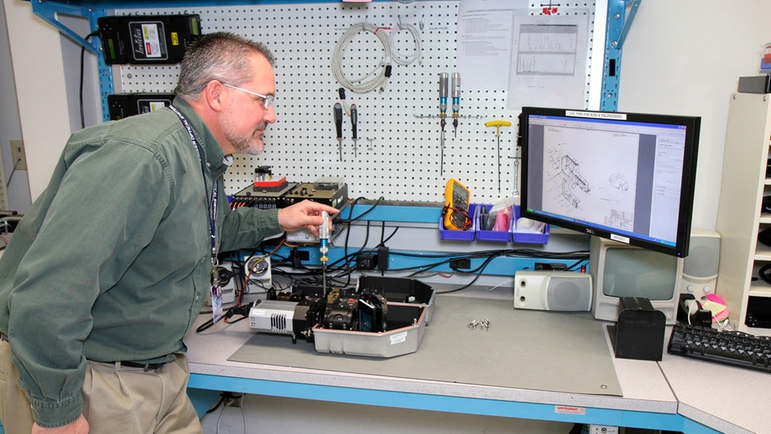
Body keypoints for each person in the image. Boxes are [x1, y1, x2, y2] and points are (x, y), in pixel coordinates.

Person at [0, 32, 339, 434]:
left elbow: (210, 231)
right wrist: (58, 412)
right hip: (95, 382)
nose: (271, 115)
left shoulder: (199, 156)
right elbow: (48, 292)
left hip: (161, 374)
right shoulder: (142, 157)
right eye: (262, 99)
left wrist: (279, 220)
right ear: (216, 94)